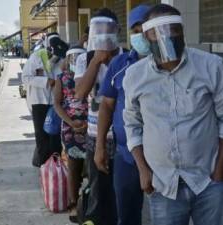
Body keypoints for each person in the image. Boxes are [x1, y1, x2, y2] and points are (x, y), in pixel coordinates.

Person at [123, 4, 223, 225]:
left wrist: (221, 170)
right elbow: (132, 124)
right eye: (158, 32)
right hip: (164, 185)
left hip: (208, 181)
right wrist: (143, 170)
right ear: (147, 37)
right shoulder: (135, 76)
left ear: (183, 32)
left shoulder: (211, 66)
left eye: (173, 29)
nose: (166, 37)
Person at [95, 5, 151, 225]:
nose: (140, 35)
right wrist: (100, 146)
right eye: (134, 30)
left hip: (163, 156)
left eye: (144, 29)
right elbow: (107, 106)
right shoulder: (120, 64)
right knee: (127, 215)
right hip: (125, 155)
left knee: (168, 214)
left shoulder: (167, 65)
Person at [74, 8, 125, 225]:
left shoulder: (127, 57)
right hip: (95, 136)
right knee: (98, 190)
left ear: (117, 31)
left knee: (122, 192)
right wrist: (96, 61)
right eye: (99, 30)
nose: (103, 35)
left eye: (108, 29)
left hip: (123, 136)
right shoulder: (84, 59)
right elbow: (79, 94)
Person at [53, 45, 88, 223]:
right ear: (67, 60)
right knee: (74, 167)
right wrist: (70, 122)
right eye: (72, 58)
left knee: (94, 168)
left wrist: (88, 123)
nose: (75, 61)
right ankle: (74, 204)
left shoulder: (91, 75)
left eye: (79, 58)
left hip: (92, 127)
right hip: (70, 129)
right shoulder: (62, 78)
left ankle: (91, 202)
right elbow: (57, 104)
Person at [22, 32, 67, 167]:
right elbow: (26, 78)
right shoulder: (36, 57)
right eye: (53, 54)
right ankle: (43, 167)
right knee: (42, 137)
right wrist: (47, 81)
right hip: (39, 102)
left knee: (55, 136)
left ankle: (56, 167)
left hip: (55, 103)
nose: (55, 57)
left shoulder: (60, 58)